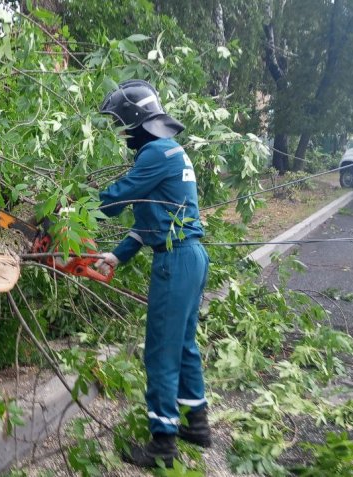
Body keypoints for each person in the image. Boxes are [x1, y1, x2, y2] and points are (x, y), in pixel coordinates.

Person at [93, 79, 212, 468]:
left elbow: (116, 199)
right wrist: (117, 255)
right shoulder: (169, 150)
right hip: (191, 256)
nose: (122, 133)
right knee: (182, 344)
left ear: (137, 122)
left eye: (122, 125)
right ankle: (196, 422)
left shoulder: (156, 153)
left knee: (160, 349)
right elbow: (147, 221)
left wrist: (69, 208)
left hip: (175, 260)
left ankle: (162, 442)